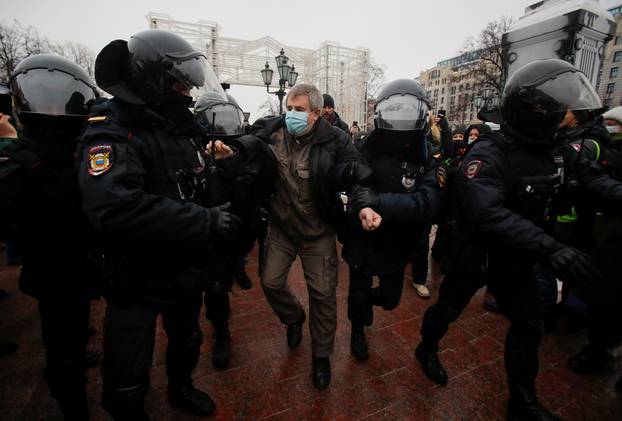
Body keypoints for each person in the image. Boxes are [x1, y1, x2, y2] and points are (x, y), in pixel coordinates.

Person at [417, 59, 609, 421]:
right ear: (528, 109)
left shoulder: (559, 151)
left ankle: (521, 400)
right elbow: (486, 212)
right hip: (477, 252)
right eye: (550, 108)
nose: (558, 116)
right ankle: (426, 347)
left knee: (530, 324)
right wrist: (552, 249)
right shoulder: (491, 151)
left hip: (517, 258)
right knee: (448, 310)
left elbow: (597, 182)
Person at [77, 29, 241, 419]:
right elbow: (115, 208)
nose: (188, 94)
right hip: (136, 275)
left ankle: (181, 388)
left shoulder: (178, 127)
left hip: (182, 268)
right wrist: (204, 220)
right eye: (183, 86)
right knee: (128, 364)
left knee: (186, 338)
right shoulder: (111, 130)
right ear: (154, 80)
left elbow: (193, 182)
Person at [251, 83, 371, 389]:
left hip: (317, 232)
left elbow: (357, 174)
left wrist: (364, 206)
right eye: (289, 108)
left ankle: (321, 357)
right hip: (281, 228)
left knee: (323, 294)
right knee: (271, 281)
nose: (291, 114)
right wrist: (228, 152)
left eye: (299, 110)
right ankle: (293, 318)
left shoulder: (336, 141)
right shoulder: (273, 133)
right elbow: (247, 147)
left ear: (316, 114)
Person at [0, 53, 99, 419]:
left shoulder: (81, 149)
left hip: (74, 265)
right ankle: (73, 403)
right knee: (62, 347)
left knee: (68, 332)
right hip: (56, 270)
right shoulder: (22, 162)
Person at [342, 78, 443, 359]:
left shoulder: (428, 157)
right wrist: (364, 205)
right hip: (363, 235)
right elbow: (357, 181)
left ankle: (363, 310)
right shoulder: (365, 147)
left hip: (397, 243)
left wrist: (378, 203)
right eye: (395, 109)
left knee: (390, 300)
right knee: (359, 295)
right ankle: (357, 328)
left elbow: (427, 203)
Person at [194, 91, 277, 369]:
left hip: (241, 231)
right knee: (216, 288)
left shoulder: (247, 151)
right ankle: (221, 334)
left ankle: (238, 271)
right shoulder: (192, 150)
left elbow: (260, 184)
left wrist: (231, 163)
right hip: (210, 234)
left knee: (233, 267)